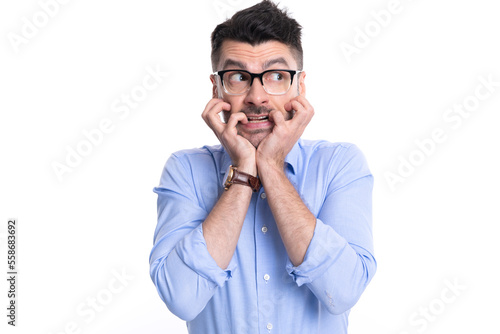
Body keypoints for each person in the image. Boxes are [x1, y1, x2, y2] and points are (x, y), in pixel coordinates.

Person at [149, 1, 376, 333]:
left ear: (299, 86)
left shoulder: (340, 164)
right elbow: (182, 298)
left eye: (276, 76)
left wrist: (270, 165)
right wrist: (244, 171)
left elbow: (342, 291)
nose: (257, 97)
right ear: (217, 88)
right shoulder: (185, 170)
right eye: (239, 77)